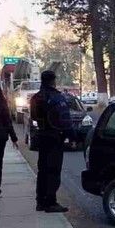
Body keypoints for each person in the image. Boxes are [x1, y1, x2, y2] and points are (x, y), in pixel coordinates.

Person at [30, 71, 76, 213]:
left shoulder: (36, 98)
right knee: (53, 170)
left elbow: (33, 116)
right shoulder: (56, 97)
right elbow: (65, 120)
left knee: (42, 170)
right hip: (55, 137)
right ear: (53, 81)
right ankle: (51, 202)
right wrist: (72, 136)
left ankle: (40, 201)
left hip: (42, 136)